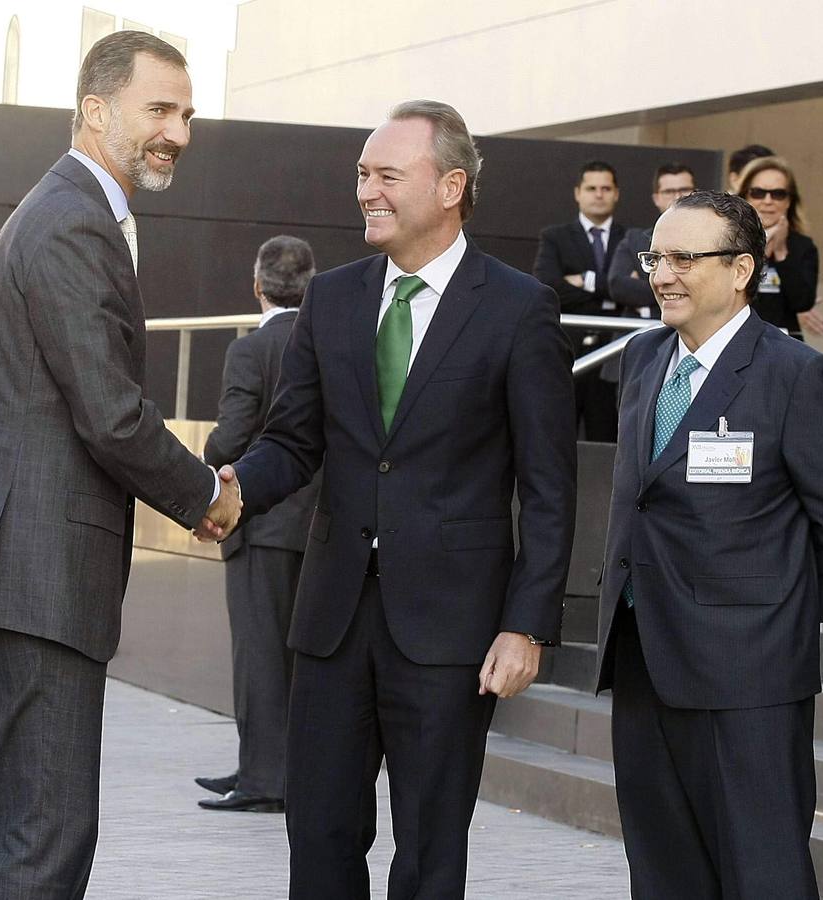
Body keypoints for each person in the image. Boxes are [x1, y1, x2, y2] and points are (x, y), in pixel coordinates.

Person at [0, 31, 241, 897]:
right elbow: (109, 411)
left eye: (188, 114)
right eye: (158, 109)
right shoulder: (71, 221)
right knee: (42, 843)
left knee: (0, 832)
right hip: (33, 578)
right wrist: (205, 492)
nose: (180, 132)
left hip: (13, 577)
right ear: (96, 111)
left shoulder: (72, 214)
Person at [222, 99, 577, 898]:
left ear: (451, 185)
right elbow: (293, 440)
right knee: (317, 833)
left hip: (452, 629)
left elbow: (548, 487)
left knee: (428, 848)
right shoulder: (334, 296)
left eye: (386, 174)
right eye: (361, 174)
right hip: (332, 618)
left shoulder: (519, 307)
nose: (366, 191)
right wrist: (233, 488)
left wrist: (527, 625)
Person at [595, 190, 823, 899]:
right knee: (661, 867)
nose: (663, 274)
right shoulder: (643, 358)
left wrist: (777, 614)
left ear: (742, 268)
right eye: (657, 256)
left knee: (761, 868)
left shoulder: (795, 374)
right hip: (643, 655)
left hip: (749, 671)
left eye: (686, 258)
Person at [196, 235, 320, 813]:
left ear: (257, 286)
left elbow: (230, 437)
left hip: (261, 522)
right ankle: (266, 770)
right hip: (318, 523)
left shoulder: (250, 351)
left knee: (260, 655)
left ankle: (264, 781)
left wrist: (203, 471)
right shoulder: (331, 340)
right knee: (297, 658)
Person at [533, 160, 629, 441]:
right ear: (578, 193)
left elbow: (635, 289)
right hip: (566, 352)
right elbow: (548, 287)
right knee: (556, 439)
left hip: (615, 355)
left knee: (608, 440)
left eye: (605, 188)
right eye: (591, 188)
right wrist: (610, 294)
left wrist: (584, 280)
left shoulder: (632, 238)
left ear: (616, 193)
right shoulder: (555, 237)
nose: (598, 194)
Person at [737, 156, 819, 339]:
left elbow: (803, 302)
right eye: (758, 192)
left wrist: (782, 254)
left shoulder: (802, 245)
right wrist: (762, 254)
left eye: (778, 194)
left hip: (785, 343)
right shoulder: (729, 241)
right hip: (736, 340)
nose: (768, 201)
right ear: (744, 196)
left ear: (789, 201)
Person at [608, 162, 696, 321]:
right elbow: (617, 285)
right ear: (656, 198)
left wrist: (643, 285)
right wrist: (682, 293)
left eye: (684, 190)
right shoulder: (634, 239)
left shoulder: (709, 239)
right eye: (669, 191)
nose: (677, 197)